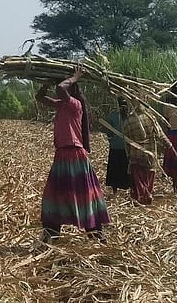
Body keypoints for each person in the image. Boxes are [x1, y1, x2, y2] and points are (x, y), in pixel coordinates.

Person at [36, 68, 110, 242]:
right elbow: (40, 97)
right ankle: (51, 234)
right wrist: (46, 83)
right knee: (54, 196)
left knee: (84, 195)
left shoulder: (75, 104)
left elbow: (60, 88)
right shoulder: (62, 105)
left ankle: (96, 235)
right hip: (62, 155)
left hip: (75, 155)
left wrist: (75, 77)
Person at [124, 103, 161, 205]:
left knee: (139, 178)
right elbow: (160, 134)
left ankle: (144, 196)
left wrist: (128, 153)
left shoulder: (128, 121)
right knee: (149, 177)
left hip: (136, 154)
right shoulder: (151, 117)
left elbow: (127, 140)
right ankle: (147, 194)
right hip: (151, 152)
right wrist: (169, 145)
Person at [102, 97, 131, 195]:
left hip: (117, 147)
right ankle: (128, 189)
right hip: (126, 148)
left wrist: (112, 139)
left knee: (115, 169)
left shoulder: (113, 115)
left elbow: (109, 133)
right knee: (126, 168)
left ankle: (116, 191)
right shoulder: (129, 116)